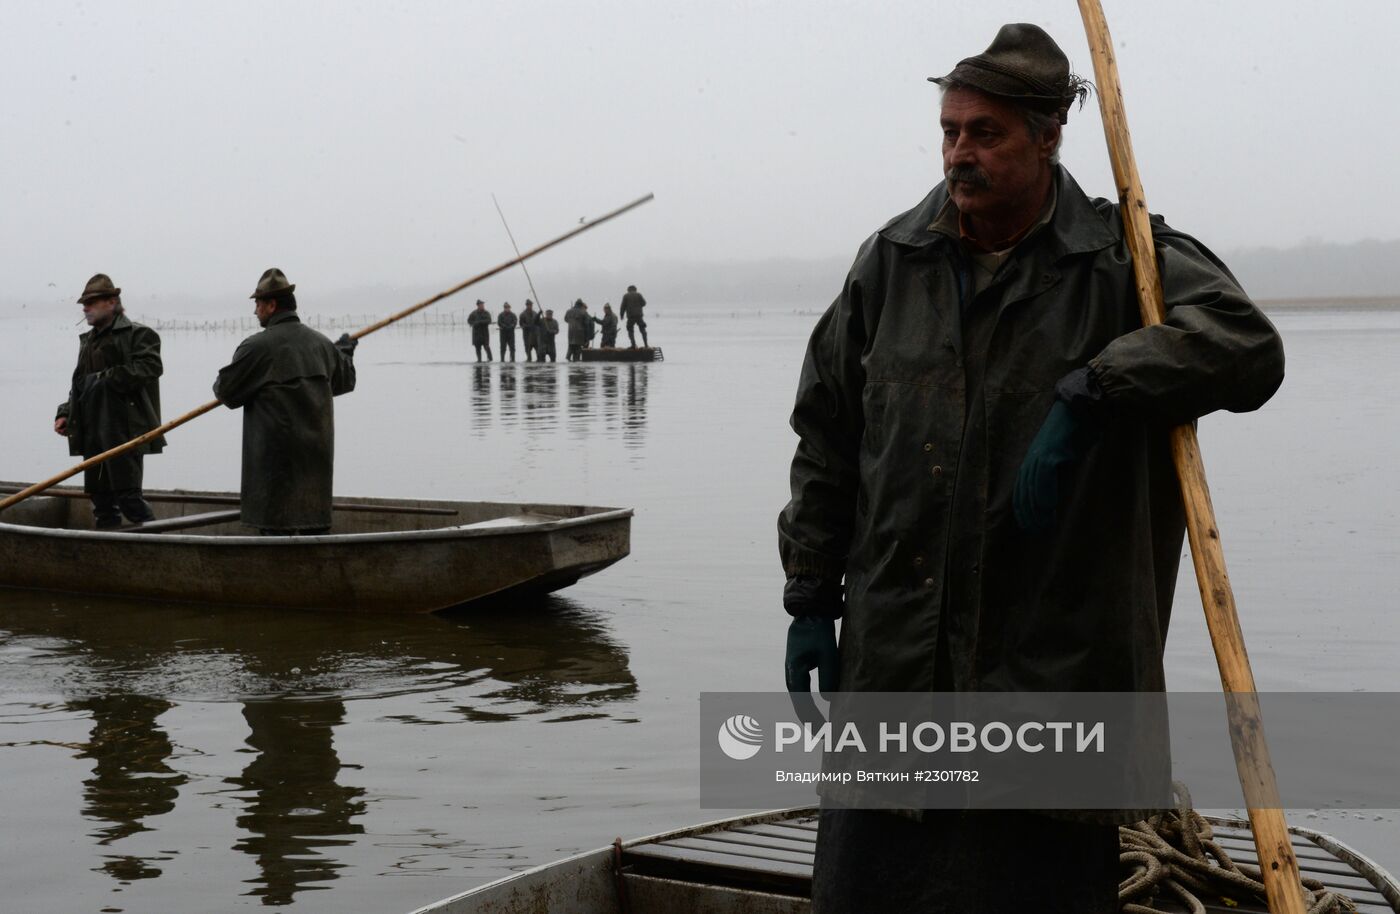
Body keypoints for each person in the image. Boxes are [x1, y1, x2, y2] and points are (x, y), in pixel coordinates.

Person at [777, 23, 1285, 914]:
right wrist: (813, 594)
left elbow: (1248, 348)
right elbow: (826, 436)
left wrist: (1096, 385)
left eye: (985, 133)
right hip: (895, 669)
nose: (958, 154)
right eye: (949, 131)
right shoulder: (893, 265)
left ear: (1049, 136)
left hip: (1052, 678)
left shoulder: (1125, 261)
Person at [213, 268, 357, 535]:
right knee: (313, 533)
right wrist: (344, 352)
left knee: (275, 536)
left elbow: (225, 392)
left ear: (271, 305)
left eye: (258, 304)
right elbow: (344, 381)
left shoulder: (257, 347)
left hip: (274, 475)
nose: (255, 311)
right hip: (315, 471)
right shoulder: (322, 345)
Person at [53, 273, 164, 528]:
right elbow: (79, 385)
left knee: (129, 499)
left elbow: (151, 367)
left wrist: (106, 378)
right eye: (84, 303)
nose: (85, 307)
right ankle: (107, 555)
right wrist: (65, 413)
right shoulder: (88, 342)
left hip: (124, 432)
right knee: (101, 503)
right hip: (93, 433)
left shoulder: (139, 334)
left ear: (112, 302)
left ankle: (157, 549)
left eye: (92, 302)